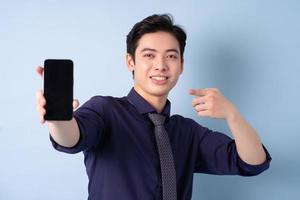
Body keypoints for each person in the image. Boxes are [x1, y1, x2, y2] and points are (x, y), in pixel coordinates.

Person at [35, 14, 271, 200]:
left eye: (171, 56)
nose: (160, 65)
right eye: (149, 55)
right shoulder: (105, 110)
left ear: (181, 65)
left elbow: (252, 162)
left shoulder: (188, 132)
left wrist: (232, 115)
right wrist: (59, 117)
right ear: (131, 62)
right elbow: (71, 139)